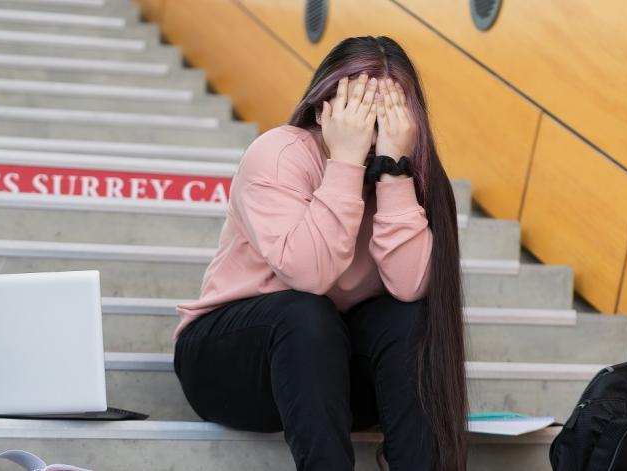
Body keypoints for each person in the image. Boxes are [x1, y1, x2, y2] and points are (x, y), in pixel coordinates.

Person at [172, 35, 467, 471]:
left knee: (409, 317)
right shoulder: (279, 154)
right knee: (304, 313)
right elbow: (309, 275)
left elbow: (409, 287)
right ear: (323, 108)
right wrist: (345, 161)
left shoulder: (413, 176)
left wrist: (394, 173)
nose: (373, 128)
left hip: (330, 379)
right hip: (232, 367)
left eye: (388, 113)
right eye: (358, 108)